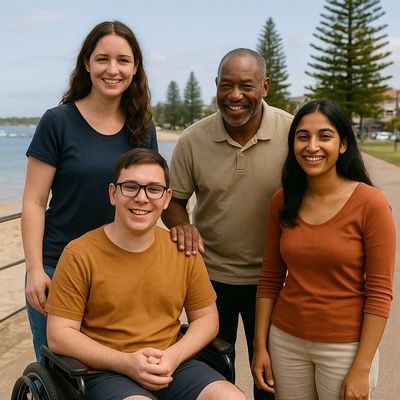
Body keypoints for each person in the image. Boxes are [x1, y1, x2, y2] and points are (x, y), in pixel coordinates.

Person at [45, 148, 246, 400]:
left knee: (231, 397)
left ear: (166, 197)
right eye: (130, 187)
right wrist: (125, 362)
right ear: (112, 194)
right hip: (106, 371)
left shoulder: (183, 250)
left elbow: (207, 318)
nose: (142, 198)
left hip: (172, 364)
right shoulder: (79, 254)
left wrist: (174, 356)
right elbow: (59, 336)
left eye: (153, 189)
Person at [22, 20, 158, 363]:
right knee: (62, 373)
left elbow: (149, 200)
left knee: (115, 371)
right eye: (102, 59)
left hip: (121, 269)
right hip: (58, 267)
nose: (112, 69)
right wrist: (36, 269)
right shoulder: (57, 121)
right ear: (87, 63)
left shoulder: (143, 127)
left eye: (123, 60)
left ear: (135, 67)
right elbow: (34, 201)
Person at [162, 48, 293, 400]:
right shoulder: (192, 139)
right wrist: (182, 225)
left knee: (271, 380)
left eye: (246, 85)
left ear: (265, 86)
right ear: (216, 86)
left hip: (273, 282)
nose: (235, 95)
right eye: (226, 85)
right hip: (209, 279)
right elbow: (172, 202)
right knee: (213, 379)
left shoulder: (293, 132)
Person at [252, 98, 396, 400]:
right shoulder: (282, 200)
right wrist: (260, 346)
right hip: (285, 342)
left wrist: (362, 366)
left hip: (345, 348)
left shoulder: (371, 204)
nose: (312, 146)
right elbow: (270, 278)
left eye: (324, 136)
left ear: (343, 144)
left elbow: (380, 292)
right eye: (302, 136)